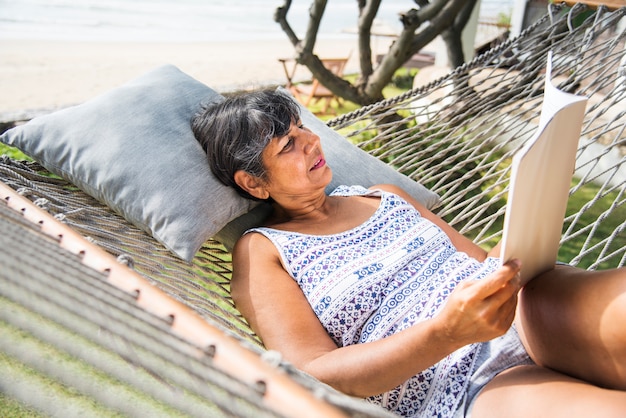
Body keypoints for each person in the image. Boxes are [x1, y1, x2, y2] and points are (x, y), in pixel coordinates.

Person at [192, 90, 626, 417]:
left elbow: (480, 264)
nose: (309, 141)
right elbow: (314, 372)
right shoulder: (264, 250)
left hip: (528, 310)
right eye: (287, 145)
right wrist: (445, 334)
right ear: (253, 183)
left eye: (301, 126)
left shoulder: (385, 195)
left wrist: (525, 230)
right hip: (459, 381)